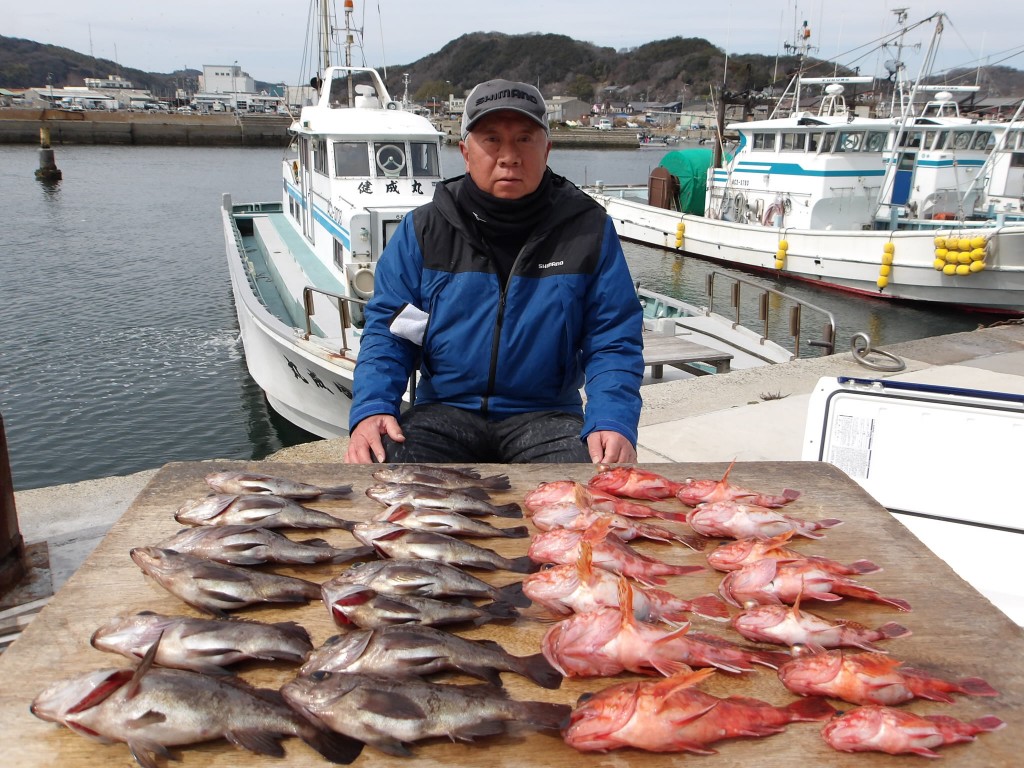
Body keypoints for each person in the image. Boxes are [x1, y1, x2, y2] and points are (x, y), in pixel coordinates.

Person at [344, 78, 644, 465]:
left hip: (548, 415)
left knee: (590, 485)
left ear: (546, 149)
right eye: (492, 139)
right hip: (444, 410)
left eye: (524, 139)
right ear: (465, 152)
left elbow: (613, 337)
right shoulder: (423, 230)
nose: (509, 156)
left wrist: (612, 420)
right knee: (385, 467)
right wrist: (372, 407)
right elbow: (390, 332)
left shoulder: (588, 230)